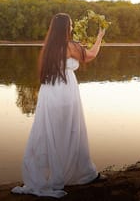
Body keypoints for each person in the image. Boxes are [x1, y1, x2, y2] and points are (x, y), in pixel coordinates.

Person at [12, 12, 106, 198]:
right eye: (70, 25)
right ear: (66, 28)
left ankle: (54, 172)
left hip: (49, 93)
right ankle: (79, 172)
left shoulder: (49, 48)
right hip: (64, 92)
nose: (71, 28)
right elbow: (90, 55)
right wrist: (99, 38)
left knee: (51, 132)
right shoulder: (70, 46)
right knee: (70, 131)